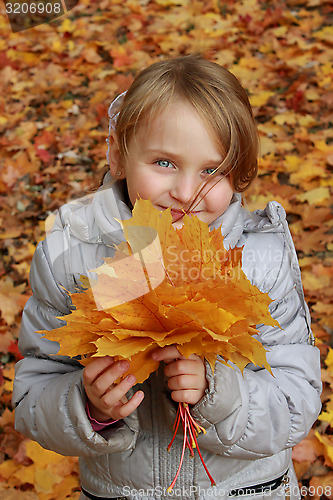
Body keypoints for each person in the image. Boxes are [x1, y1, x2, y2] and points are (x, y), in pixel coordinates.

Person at [13, 54, 321, 500]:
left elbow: (297, 398)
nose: (185, 192)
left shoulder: (259, 261)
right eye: (163, 162)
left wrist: (222, 396)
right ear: (119, 154)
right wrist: (88, 406)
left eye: (212, 170)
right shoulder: (73, 260)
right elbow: (34, 392)